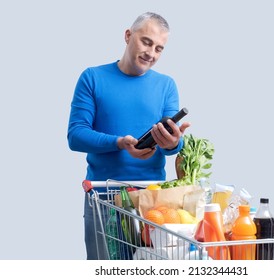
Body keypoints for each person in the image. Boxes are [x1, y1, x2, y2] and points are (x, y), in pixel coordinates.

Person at [67, 12, 190, 259]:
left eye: (159, 48)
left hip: (152, 202)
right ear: (127, 36)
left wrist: (173, 142)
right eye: (146, 42)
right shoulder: (92, 77)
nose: (151, 53)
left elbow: (172, 145)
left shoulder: (166, 85)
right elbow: (76, 135)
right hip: (103, 199)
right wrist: (119, 143)